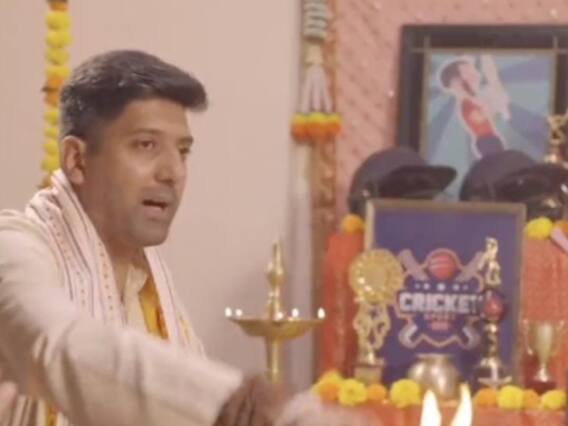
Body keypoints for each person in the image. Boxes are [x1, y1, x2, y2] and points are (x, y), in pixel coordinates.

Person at [0, 50, 350, 426]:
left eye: (182, 151)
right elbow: (55, 342)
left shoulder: (156, 291)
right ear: (76, 160)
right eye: (145, 145)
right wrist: (242, 407)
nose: (172, 172)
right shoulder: (16, 247)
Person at [439, 55, 509, 158]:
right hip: (488, 142)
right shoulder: (467, 105)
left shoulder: (474, 100)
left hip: (490, 140)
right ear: (456, 81)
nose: (477, 75)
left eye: (474, 71)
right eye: (469, 73)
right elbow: (482, 115)